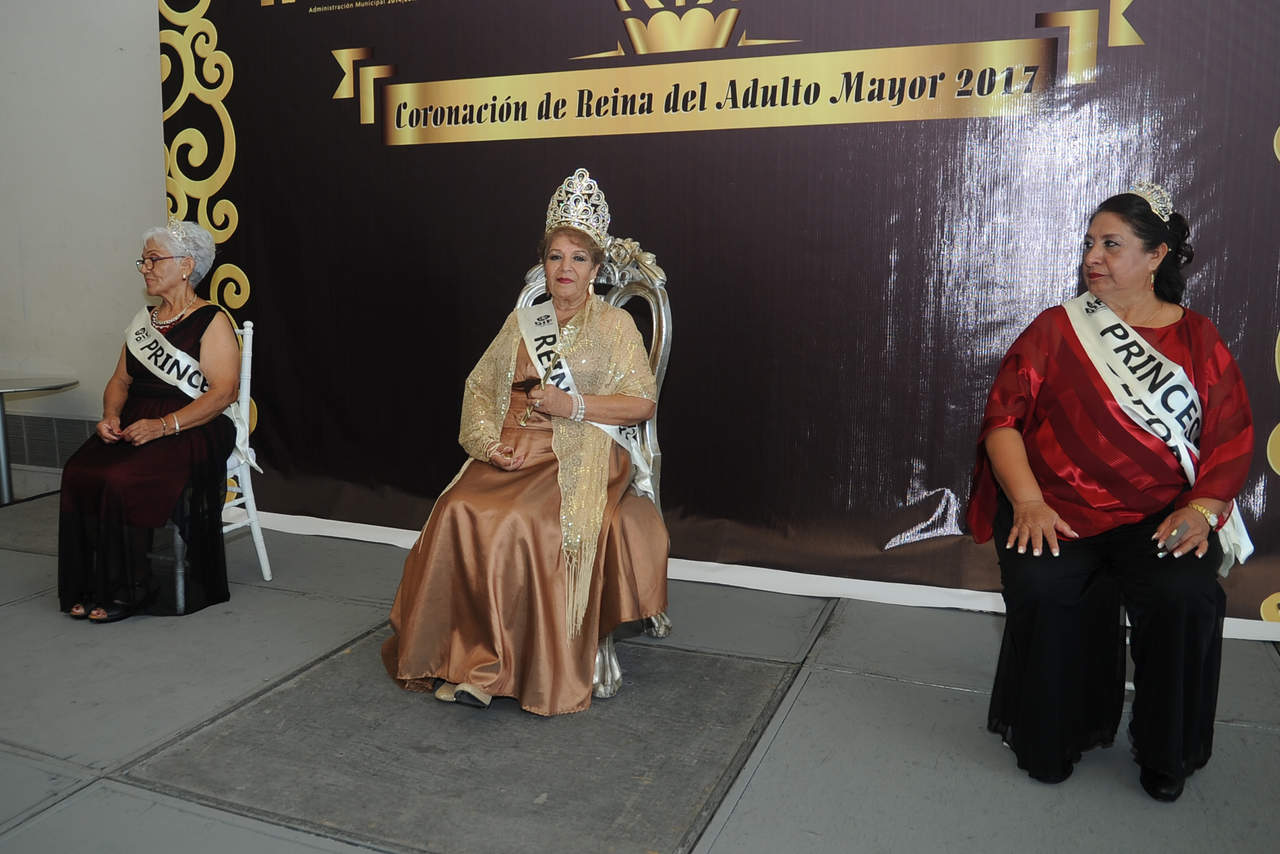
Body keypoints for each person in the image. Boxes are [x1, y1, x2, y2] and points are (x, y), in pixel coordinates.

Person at [966, 182, 1254, 802]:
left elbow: (1230, 437)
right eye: (1089, 243)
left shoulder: (1199, 340)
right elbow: (1003, 422)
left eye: (1111, 244)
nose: (1092, 257)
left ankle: (1166, 751)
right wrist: (1030, 502)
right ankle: (1054, 734)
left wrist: (1203, 509)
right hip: (1058, 511)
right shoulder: (1056, 328)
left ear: (1156, 256)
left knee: (1184, 592)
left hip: (1159, 516)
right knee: (1044, 584)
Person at [381, 168, 669, 715]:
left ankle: (499, 669)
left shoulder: (616, 326)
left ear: (596, 270)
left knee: (526, 523)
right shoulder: (523, 321)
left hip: (585, 448)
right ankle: (461, 657)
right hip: (518, 446)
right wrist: (491, 446)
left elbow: (641, 404)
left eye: (578, 258)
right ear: (544, 264)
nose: (565, 268)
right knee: (458, 508)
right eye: (556, 257)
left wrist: (572, 405)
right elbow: (479, 387)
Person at [58, 219, 241, 623]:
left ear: (186, 265)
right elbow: (120, 381)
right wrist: (110, 415)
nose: (145, 268)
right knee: (79, 471)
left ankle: (132, 585)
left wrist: (163, 425)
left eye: (154, 259)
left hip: (193, 424)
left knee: (121, 477)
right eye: (143, 261)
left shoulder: (212, 320)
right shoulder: (145, 321)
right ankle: (95, 582)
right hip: (137, 419)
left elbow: (223, 393)